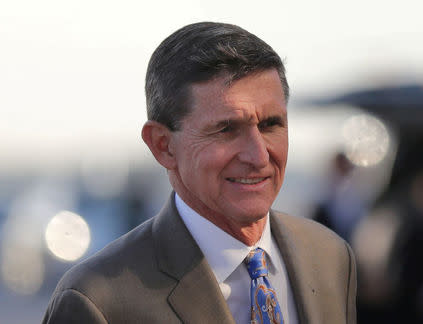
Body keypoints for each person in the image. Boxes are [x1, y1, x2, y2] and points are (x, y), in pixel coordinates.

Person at [43, 22, 356, 324]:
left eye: (270, 125)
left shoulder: (331, 257)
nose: (259, 155)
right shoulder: (98, 302)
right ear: (163, 146)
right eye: (227, 130)